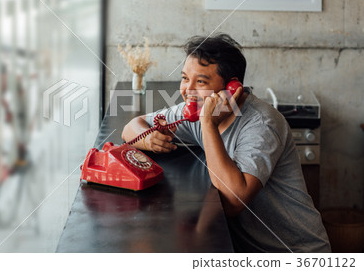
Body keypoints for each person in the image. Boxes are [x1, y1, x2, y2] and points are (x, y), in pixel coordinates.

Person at [121, 34, 331, 252]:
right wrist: (148, 137)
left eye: (201, 81)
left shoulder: (262, 124)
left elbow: (232, 202)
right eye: (185, 78)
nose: (187, 90)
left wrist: (208, 125)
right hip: (246, 248)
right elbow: (132, 127)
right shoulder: (197, 110)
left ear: (232, 88)